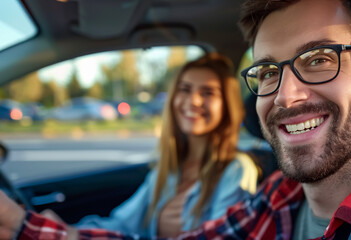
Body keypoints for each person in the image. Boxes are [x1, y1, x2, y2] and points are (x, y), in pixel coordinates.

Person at [1, 0, 351, 239]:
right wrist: (21, 226)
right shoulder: (279, 196)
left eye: (319, 59)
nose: (286, 94)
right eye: (267, 71)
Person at [4, 52, 259, 239]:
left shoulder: (236, 170)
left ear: (227, 105)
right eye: (185, 89)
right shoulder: (168, 170)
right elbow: (121, 224)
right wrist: (66, 230)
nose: (192, 100)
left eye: (208, 93)